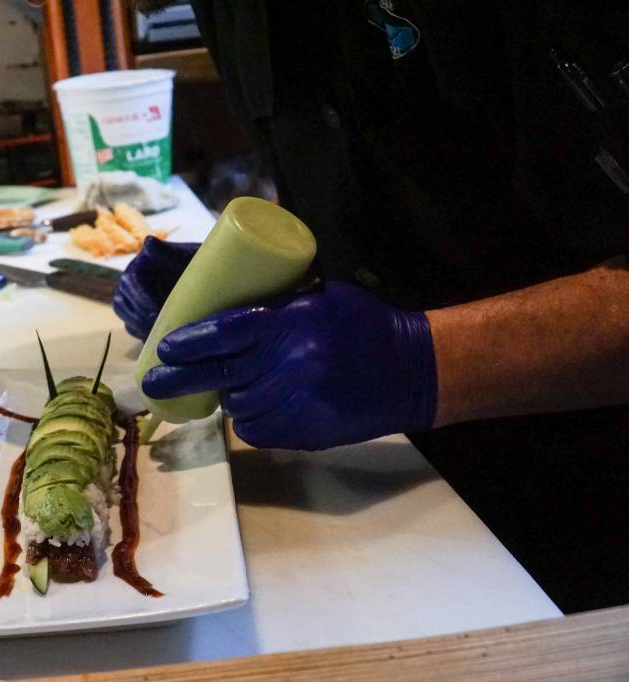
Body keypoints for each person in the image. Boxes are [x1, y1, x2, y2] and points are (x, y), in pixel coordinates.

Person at [115, 1, 629, 614]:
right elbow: (370, 186)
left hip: (593, 530)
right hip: (387, 510)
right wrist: (245, 283)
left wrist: (422, 359)